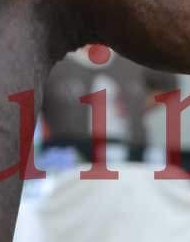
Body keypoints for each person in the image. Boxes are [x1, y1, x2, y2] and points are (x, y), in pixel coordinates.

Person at [39, 44, 177, 165]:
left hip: (128, 151)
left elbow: (168, 86)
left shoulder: (134, 55)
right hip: (67, 153)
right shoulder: (52, 58)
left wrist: (136, 107)